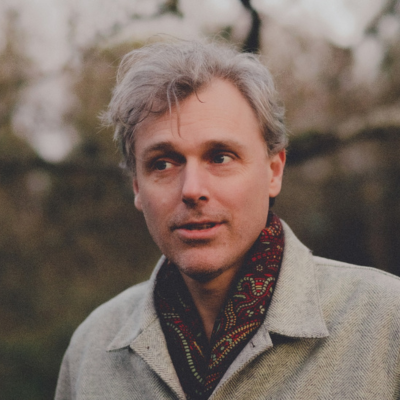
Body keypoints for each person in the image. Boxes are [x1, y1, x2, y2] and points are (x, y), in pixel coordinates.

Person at [55, 39, 400, 400]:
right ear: (137, 186)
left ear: (273, 171)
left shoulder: (386, 324)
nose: (192, 189)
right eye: (163, 163)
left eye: (220, 157)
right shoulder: (91, 350)